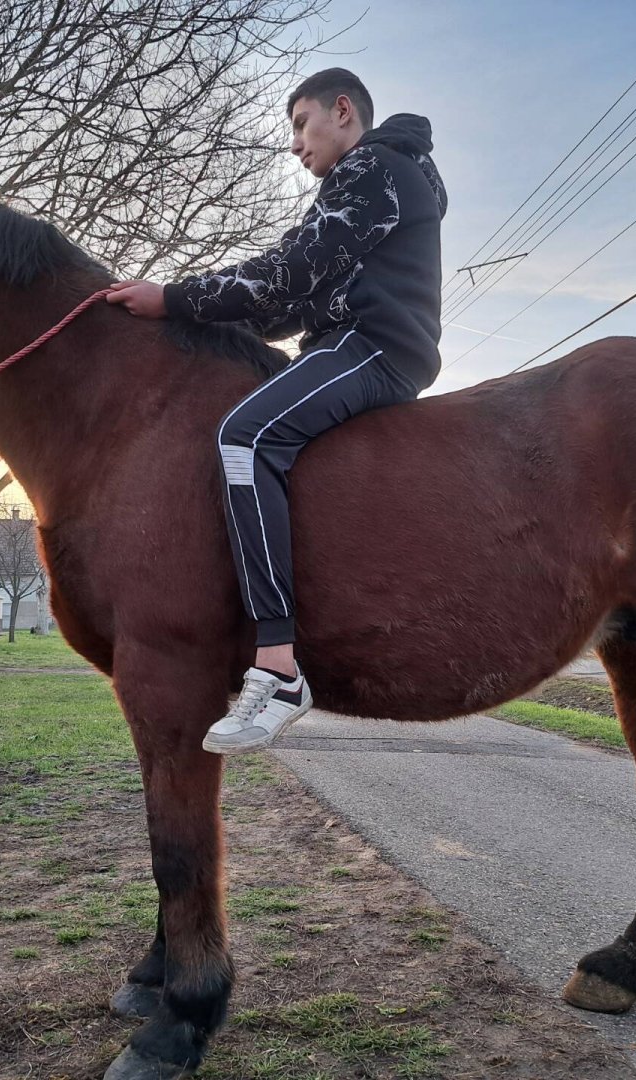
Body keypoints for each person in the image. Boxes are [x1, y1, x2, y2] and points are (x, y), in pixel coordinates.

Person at [106, 67, 447, 754]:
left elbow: (288, 270)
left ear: (343, 110)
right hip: (343, 340)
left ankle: (280, 666)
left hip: (372, 348)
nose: (295, 144)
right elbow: (290, 303)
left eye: (300, 124)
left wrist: (172, 298)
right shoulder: (366, 185)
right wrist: (194, 325)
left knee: (247, 437)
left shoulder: (374, 169)